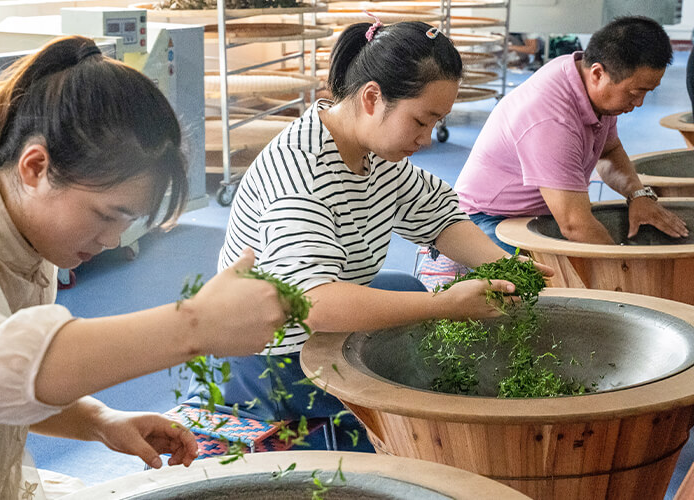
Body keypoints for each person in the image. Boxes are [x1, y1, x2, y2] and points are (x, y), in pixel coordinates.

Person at [0, 35, 290, 499]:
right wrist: (196, 326)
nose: (112, 240)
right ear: (36, 167)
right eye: (106, 215)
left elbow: (8, 390)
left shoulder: (27, 237)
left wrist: (98, 421)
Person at [188, 21, 552, 449]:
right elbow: (315, 302)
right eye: (420, 120)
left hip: (313, 316)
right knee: (401, 419)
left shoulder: (371, 150)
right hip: (268, 355)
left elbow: (440, 217)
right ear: (373, 98)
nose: (426, 138)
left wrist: (503, 264)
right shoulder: (302, 177)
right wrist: (445, 305)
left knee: (402, 287)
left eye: (436, 122)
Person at [454, 16, 688, 251]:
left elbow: (609, 151)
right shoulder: (552, 118)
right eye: (635, 92)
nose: (639, 103)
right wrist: (628, 265)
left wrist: (639, 195)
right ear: (598, 74)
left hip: (541, 210)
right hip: (487, 217)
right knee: (543, 284)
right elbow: (575, 225)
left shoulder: (586, 80)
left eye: (648, 92)